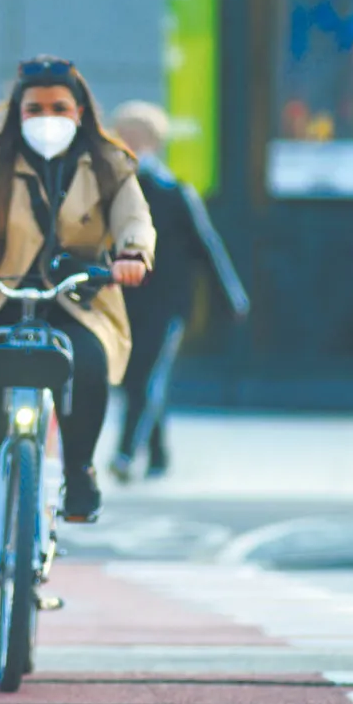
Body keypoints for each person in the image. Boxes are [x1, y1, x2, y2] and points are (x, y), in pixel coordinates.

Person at [0, 56, 156, 645]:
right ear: (17, 111)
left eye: (60, 108)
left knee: (88, 363)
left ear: (80, 111)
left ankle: (80, 472)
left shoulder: (110, 163)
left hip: (77, 296)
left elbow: (134, 219)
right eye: (35, 108)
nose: (47, 118)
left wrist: (131, 256)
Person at [106, 100, 249, 482]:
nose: (127, 142)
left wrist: (230, 297)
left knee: (143, 375)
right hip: (121, 300)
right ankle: (158, 452)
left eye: (135, 136)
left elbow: (207, 247)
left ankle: (123, 453)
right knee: (144, 377)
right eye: (122, 135)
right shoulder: (107, 190)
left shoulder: (174, 192)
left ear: (153, 141)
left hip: (165, 303)